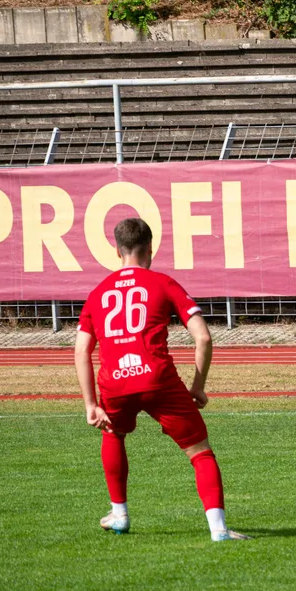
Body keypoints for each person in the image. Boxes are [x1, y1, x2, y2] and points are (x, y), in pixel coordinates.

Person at [74, 217, 249, 541]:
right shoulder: (162, 283)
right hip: (158, 379)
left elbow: (82, 350)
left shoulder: (97, 293)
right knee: (200, 453)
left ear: (117, 249)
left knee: (113, 435)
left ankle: (120, 515)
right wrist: (197, 386)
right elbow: (204, 338)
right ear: (150, 248)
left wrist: (90, 404)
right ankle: (219, 529)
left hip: (115, 382)